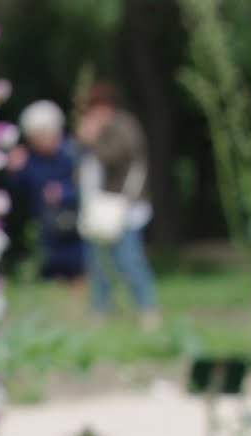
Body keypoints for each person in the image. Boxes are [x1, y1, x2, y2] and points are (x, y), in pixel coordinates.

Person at [76, 82, 160, 326]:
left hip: (125, 206)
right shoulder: (104, 129)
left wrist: (91, 139)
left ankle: (148, 309)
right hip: (103, 205)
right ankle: (100, 310)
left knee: (129, 259)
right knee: (99, 260)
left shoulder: (122, 126)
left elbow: (114, 157)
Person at [7, 100, 84, 281]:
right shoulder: (29, 161)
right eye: (35, 136)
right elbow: (18, 195)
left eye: (44, 134)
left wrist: (63, 191)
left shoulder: (72, 154)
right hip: (46, 235)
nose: (41, 140)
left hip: (75, 232)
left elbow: (86, 187)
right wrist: (13, 172)